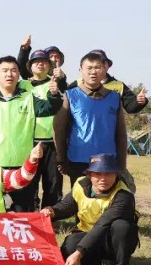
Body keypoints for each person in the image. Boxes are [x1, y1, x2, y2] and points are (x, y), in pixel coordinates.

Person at [0, 56, 62, 212]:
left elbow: (50, 109)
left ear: (19, 74)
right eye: (4, 70)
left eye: (13, 70)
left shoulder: (28, 98)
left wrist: (53, 95)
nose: (9, 74)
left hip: (23, 165)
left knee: (22, 210)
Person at [41, 153, 138, 265]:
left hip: (111, 240)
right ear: (90, 174)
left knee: (122, 227)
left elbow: (102, 225)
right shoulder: (81, 185)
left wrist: (78, 253)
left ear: (116, 174)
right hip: (87, 235)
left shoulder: (123, 195)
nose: (103, 179)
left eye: (108, 174)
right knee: (69, 247)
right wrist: (52, 211)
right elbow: (67, 206)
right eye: (98, 174)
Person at [53, 52, 130, 190]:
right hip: (78, 159)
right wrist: (61, 158)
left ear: (104, 70)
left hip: (108, 160)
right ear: (80, 70)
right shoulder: (70, 95)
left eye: (97, 67)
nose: (93, 72)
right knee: (80, 197)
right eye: (89, 68)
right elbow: (59, 129)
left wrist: (122, 163)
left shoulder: (114, 97)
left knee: (106, 198)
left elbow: (121, 133)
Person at [18, 45, 67, 209]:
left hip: (52, 142)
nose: (40, 64)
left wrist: (59, 86)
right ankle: (30, 216)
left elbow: (64, 101)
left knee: (53, 183)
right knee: (28, 181)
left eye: (44, 62)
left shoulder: (56, 83)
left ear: (49, 65)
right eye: (36, 61)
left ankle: (50, 216)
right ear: (29, 66)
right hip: (28, 141)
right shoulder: (22, 85)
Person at [67, 49, 149, 115]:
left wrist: (139, 101)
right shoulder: (78, 84)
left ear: (107, 66)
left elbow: (130, 107)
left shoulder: (118, 86)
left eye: (102, 63)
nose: (94, 70)